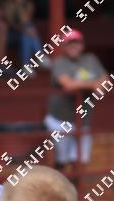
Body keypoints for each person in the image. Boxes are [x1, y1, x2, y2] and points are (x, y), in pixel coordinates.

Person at [44, 29, 106, 172]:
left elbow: (105, 83)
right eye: (69, 44)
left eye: (76, 43)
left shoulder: (91, 59)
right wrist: (93, 84)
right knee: (60, 162)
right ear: (64, 46)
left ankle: (75, 186)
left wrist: (81, 84)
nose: (73, 46)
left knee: (80, 162)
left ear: (82, 45)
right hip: (60, 120)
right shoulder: (59, 62)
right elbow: (68, 85)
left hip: (83, 120)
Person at [1, 0, 45, 70]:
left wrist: (20, 4)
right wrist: (24, 30)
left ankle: (26, 66)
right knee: (29, 30)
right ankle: (40, 56)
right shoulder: (7, 4)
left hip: (25, 31)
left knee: (26, 34)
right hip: (10, 33)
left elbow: (25, 20)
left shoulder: (29, 3)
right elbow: (11, 24)